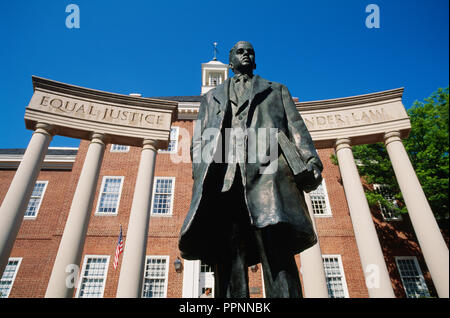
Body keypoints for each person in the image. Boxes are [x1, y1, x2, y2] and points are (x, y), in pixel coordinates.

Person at [179, 41, 323, 298]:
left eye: (250, 51)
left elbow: (296, 129)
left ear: (255, 60)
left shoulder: (276, 90)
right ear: (230, 60)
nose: (246, 54)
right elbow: (199, 141)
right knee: (227, 255)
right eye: (240, 51)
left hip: (267, 176)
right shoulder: (211, 97)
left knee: (276, 252)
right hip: (224, 180)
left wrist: (311, 161)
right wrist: (202, 170)